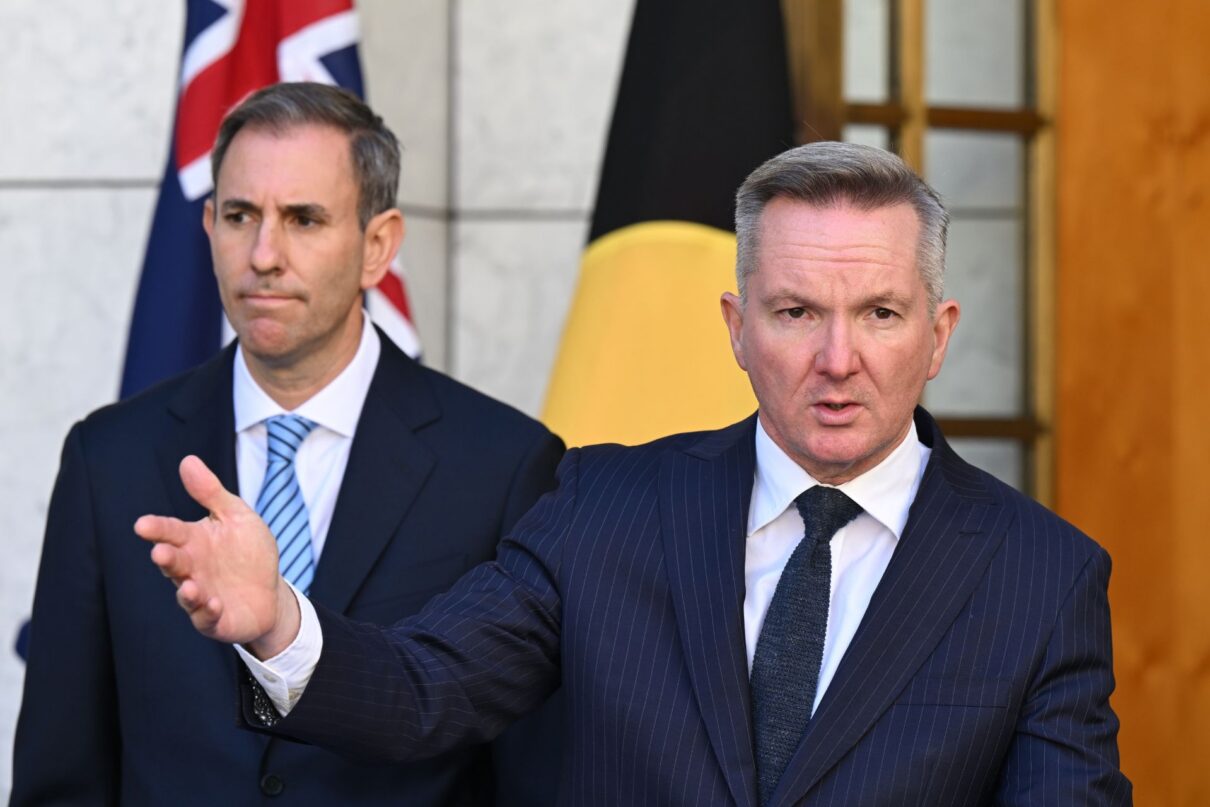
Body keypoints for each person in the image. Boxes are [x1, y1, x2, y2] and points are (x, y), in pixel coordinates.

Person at [137, 142, 1132, 805]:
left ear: (937, 335)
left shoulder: (1039, 579)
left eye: (878, 313)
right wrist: (276, 620)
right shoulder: (603, 506)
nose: (838, 358)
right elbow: (428, 690)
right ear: (737, 332)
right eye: (793, 313)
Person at [13, 83, 565, 806]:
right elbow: (63, 771)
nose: (265, 254)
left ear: (378, 246)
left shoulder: (503, 466)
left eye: (304, 219)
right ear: (209, 226)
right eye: (241, 215)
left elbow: (532, 771)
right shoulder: (108, 459)